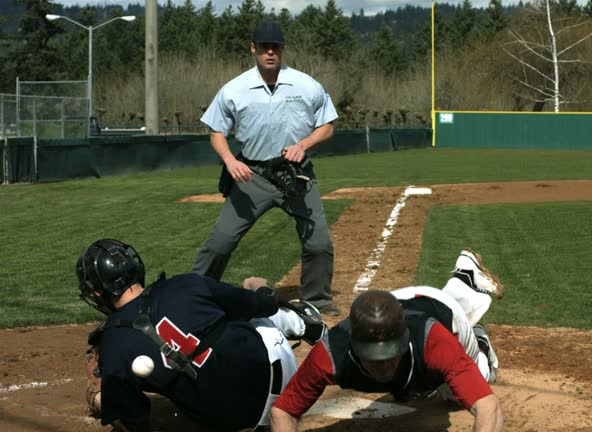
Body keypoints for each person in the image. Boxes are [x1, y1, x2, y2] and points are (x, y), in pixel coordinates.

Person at [76, 239, 326, 432]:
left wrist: (102, 399)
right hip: (282, 374)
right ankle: (301, 321)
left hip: (231, 420)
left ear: (97, 294)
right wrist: (258, 286)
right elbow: (265, 305)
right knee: (244, 308)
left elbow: (134, 421)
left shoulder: (112, 343)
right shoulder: (185, 284)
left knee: (129, 398)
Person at [271, 249, 506, 432]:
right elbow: (283, 411)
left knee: (456, 397)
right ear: (354, 347)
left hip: (446, 315)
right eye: (373, 359)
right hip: (391, 306)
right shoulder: (331, 353)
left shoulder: (435, 341)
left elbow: (488, 406)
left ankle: (480, 339)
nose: (383, 367)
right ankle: (462, 278)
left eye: (391, 355)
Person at [194, 20, 340, 315]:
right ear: (253, 49)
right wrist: (230, 161)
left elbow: (328, 126)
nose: (269, 53)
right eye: (263, 47)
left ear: (283, 49)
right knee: (220, 242)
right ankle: (194, 295)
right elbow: (216, 132)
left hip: (296, 174)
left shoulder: (305, 84)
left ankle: (318, 300)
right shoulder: (235, 88)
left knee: (318, 243)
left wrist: (304, 144)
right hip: (252, 176)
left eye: (275, 47)